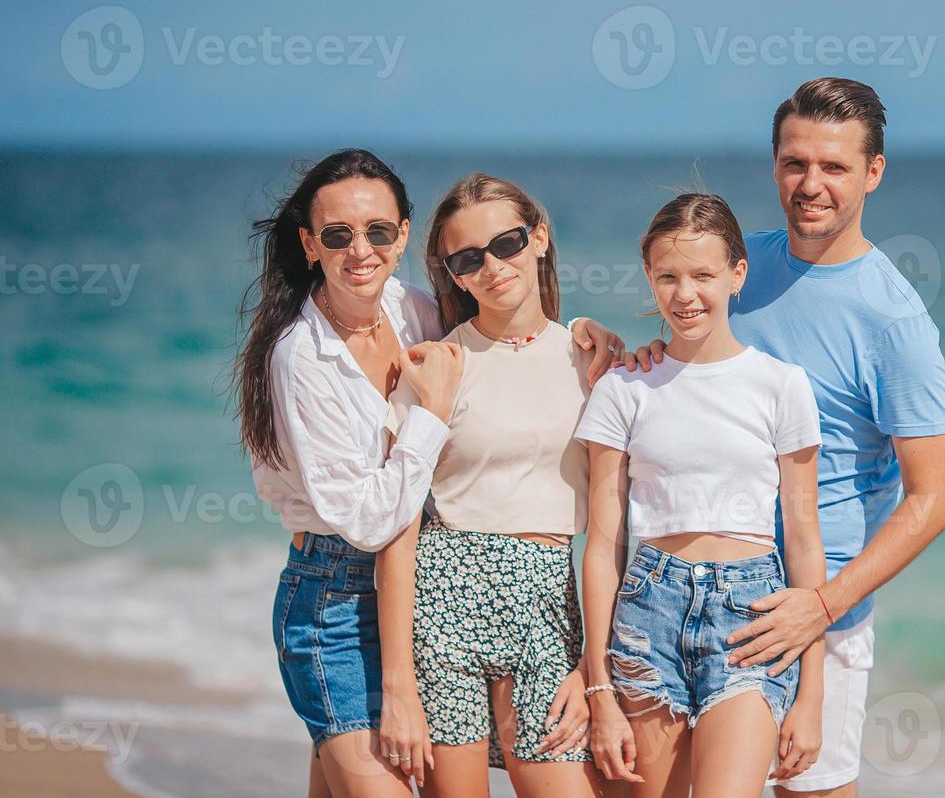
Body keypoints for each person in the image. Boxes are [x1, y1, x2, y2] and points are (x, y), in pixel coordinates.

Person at [236, 150, 625, 798]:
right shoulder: (299, 359)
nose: (360, 249)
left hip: (461, 599)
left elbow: (507, 342)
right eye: (337, 235)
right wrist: (434, 412)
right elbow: (376, 521)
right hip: (340, 593)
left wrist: (585, 331)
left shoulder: (410, 310)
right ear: (310, 245)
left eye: (378, 232)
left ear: (402, 235)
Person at [623, 78, 945, 797]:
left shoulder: (894, 321)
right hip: (690, 593)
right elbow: (693, 349)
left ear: (873, 173)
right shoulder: (745, 266)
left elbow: (933, 500)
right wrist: (625, 348)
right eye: (794, 163)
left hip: (808, 610)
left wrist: (825, 606)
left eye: (834, 167)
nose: (811, 184)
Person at [578, 193, 828, 798]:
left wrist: (812, 695)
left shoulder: (781, 387)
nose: (685, 294)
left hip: (752, 618)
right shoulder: (623, 389)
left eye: (703, 275)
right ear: (649, 278)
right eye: (668, 276)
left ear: (737, 274)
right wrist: (598, 686)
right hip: (647, 614)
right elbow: (604, 543)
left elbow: (803, 540)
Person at [375, 174, 605, 797]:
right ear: (452, 273)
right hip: (445, 598)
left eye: (505, 244)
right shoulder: (436, 367)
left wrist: (596, 671)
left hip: (550, 609)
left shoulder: (595, 361)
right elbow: (397, 529)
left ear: (539, 237)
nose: (492, 267)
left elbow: (616, 531)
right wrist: (397, 685)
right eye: (468, 259)